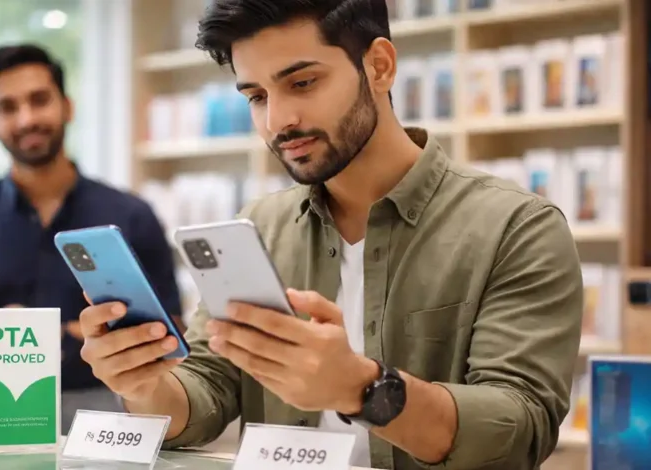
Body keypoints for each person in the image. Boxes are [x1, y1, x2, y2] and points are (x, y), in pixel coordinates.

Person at [78, 1, 583, 469]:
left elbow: (521, 429)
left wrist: (362, 388)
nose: (278, 121)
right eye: (256, 96)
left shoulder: (517, 227)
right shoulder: (260, 225)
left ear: (380, 66)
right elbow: (210, 386)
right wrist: (143, 384)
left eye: (301, 83)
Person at [0, 44, 183, 433]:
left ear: (67, 106)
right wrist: (11, 342)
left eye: (39, 100)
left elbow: (172, 332)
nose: (27, 118)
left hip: (110, 416)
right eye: (7, 107)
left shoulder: (131, 216)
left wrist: (28, 340)